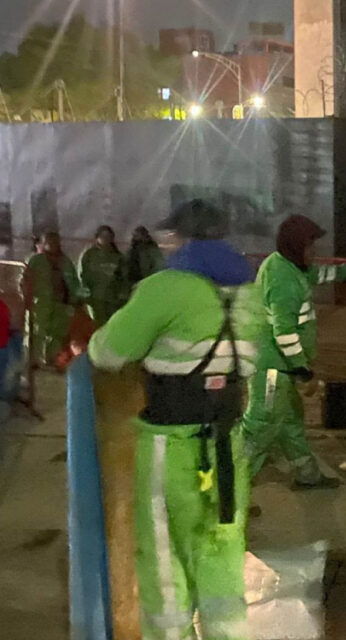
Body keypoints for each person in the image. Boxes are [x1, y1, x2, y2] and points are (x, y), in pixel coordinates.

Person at [88, 199, 262, 640]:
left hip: (172, 445)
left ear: (183, 239)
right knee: (221, 554)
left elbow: (107, 352)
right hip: (228, 445)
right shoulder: (250, 291)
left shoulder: (165, 288)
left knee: (165, 559)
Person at [242, 215, 346, 489]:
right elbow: (284, 332)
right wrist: (303, 370)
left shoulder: (291, 266)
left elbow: (320, 273)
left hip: (281, 367)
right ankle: (230, 492)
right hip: (273, 369)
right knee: (262, 424)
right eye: (310, 246)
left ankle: (307, 475)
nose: (314, 251)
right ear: (295, 247)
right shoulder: (282, 278)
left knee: (291, 421)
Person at [22, 231, 82, 366]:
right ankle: (32, 361)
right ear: (43, 244)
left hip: (61, 303)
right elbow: (23, 280)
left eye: (56, 242)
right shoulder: (35, 260)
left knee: (57, 334)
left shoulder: (65, 261)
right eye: (50, 242)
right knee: (37, 332)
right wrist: (25, 299)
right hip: (40, 302)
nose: (54, 245)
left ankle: (52, 359)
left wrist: (75, 300)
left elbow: (73, 282)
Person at [78, 225, 124, 326]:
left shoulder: (117, 256)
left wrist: (121, 294)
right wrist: (85, 295)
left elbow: (123, 277)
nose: (105, 239)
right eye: (102, 236)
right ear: (97, 237)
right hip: (95, 297)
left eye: (108, 236)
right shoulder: (89, 255)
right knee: (96, 324)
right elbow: (82, 275)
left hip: (112, 298)